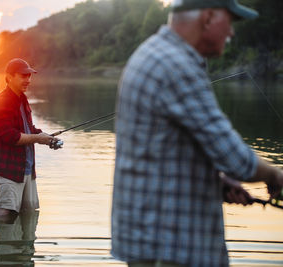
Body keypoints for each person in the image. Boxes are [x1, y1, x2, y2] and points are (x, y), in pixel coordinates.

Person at [112, 0, 283, 266]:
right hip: (170, 246)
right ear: (209, 17)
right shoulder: (175, 64)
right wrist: (275, 175)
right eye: (230, 21)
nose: (232, 32)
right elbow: (234, 157)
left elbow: (165, 153)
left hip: (152, 240)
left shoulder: (154, 54)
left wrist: (215, 181)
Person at [0, 58, 60, 217]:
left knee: (29, 218)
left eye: (29, 76)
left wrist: (46, 138)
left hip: (27, 171)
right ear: (9, 77)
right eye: (23, 76)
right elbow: (10, 137)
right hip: (9, 171)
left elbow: (28, 129)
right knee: (6, 218)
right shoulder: (1, 102)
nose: (28, 80)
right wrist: (37, 138)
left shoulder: (22, 99)